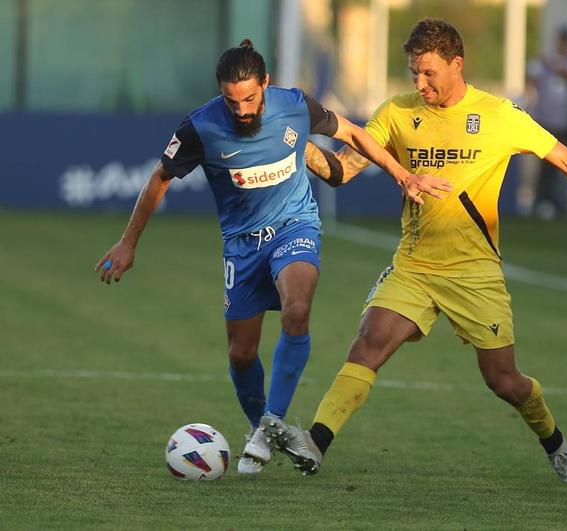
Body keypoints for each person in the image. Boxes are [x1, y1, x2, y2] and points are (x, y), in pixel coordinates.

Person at [261, 18, 567, 484]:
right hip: (415, 264)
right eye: (413, 73)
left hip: (475, 272)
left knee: (504, 380)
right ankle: (316, 443)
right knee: (368, 343)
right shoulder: (395, 113)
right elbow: (342, 170)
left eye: (428, 72)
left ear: (456, 64)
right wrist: (294, 145)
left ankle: (556, 443)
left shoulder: (497, 115)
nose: (420, 83)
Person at [94, 39, 450, 476]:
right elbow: (159, 180)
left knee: (296, 310)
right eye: (231, 101)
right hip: (241, 246)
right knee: (241, 354)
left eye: (249, 98)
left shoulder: (295, 105)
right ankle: (260, 426)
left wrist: (403, 175)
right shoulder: (200, 127)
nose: (241, 110)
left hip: (295, 228)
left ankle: (271, 421)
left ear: (265, 83)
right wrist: (128, 243)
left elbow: (355, 133)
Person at [526, 27, 567, 218]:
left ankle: (563, 204)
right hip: (545, 123)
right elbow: (530, 75)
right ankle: (542, 203)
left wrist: (550, 64)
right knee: (545, 168)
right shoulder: (543, 62)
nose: (563, 46)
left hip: (565, 124)